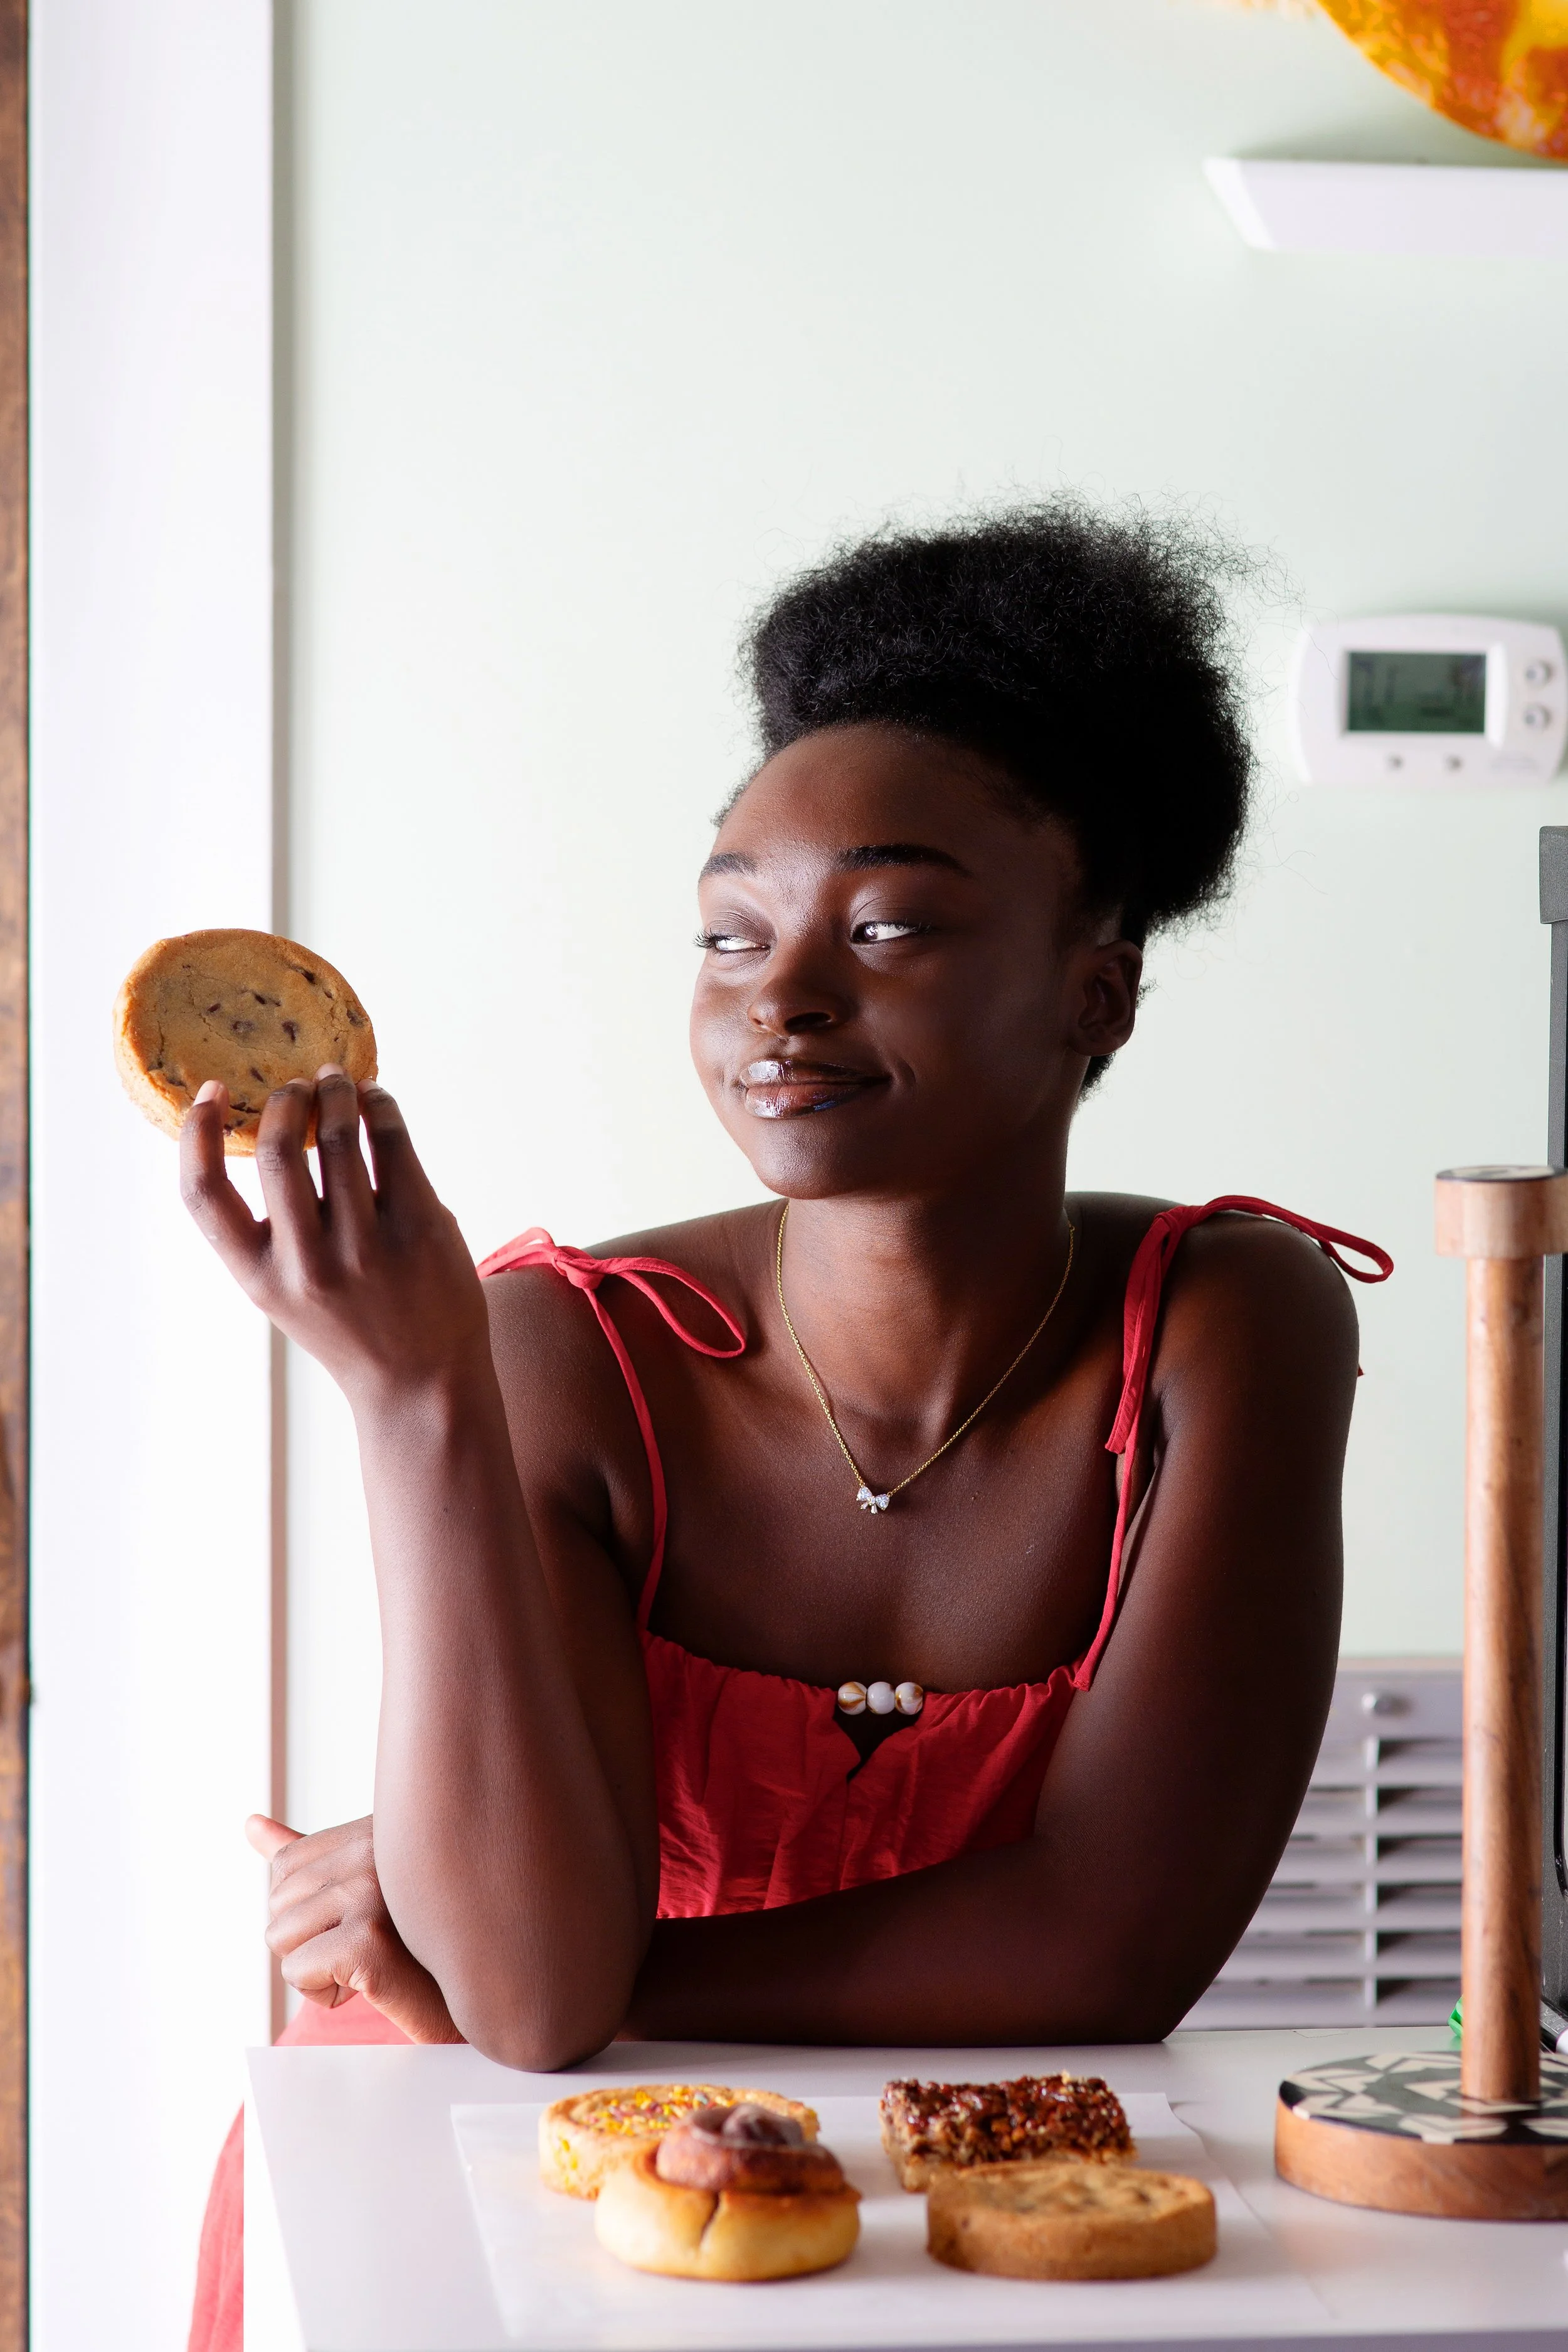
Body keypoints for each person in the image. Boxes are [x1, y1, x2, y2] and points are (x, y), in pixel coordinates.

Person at [184, 505, 1389, 2348]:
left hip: (899, 2195)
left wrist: (566, 1959)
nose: (781, 995)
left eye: (888, 921)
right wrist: (410, 1390)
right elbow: (516, 2025)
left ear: (1099, 986)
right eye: (727, 928)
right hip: (477, 2147)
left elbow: (1110, 1947)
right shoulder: (560, 1347)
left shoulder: (1228, 1326)